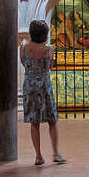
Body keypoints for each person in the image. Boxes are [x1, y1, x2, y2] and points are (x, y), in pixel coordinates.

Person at [20, 19, 64, 165]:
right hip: (44, 86)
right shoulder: (49, 49)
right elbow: (49, 65)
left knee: (35, 122)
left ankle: (38, 156)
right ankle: (56, 153)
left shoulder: (23, 48)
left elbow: (23, 62)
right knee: (52, 120)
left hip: (30, 86)